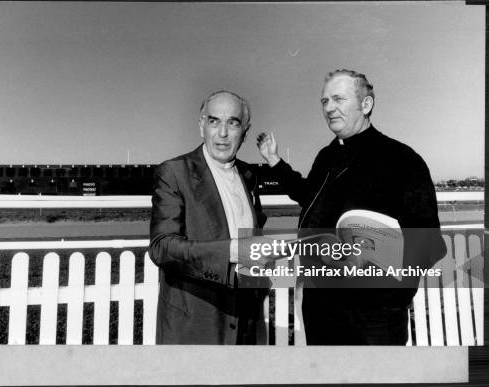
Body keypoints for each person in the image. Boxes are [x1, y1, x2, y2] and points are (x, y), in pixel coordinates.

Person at [257, 69, 446, 345]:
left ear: (366, 104)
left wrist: (391, 299)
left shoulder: (402, 160)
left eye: (338, 99)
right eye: (324, 101)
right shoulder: (326, 156)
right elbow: (310, 195)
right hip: (320, 308)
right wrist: (275, 161)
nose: (329, 108)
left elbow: (428, 242)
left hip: (374, 317)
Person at [149, 90, 273, 344]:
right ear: (201, 126)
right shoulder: (174, 172)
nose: (223, 133)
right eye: (214, 121)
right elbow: (162, 247)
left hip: (247, 325)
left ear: (245, 132)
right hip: (195, 326)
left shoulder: (249, 176)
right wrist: (232, 251)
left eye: (233, 123)